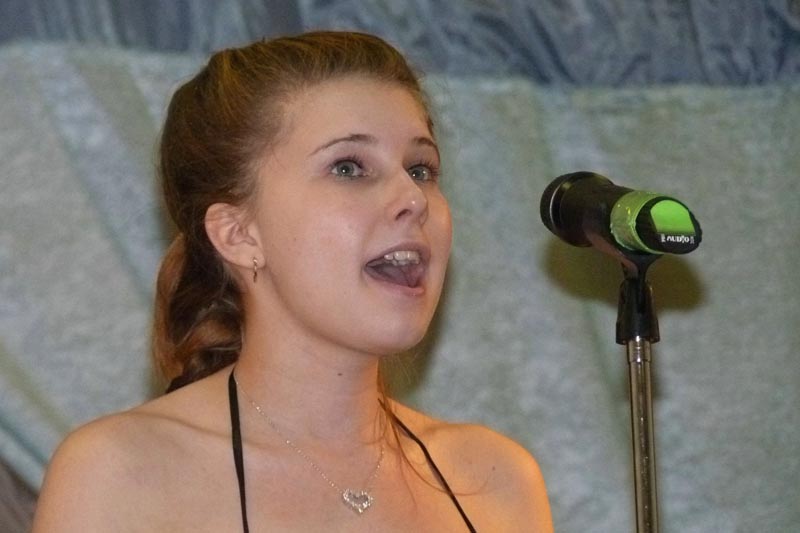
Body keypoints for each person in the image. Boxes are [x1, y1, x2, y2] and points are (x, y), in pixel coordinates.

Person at [32, 31, 553, 532]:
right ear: (238, 234)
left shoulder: (495, 480)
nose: (414, 199)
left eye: (420, 169)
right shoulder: (119, 475)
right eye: (348, 168)